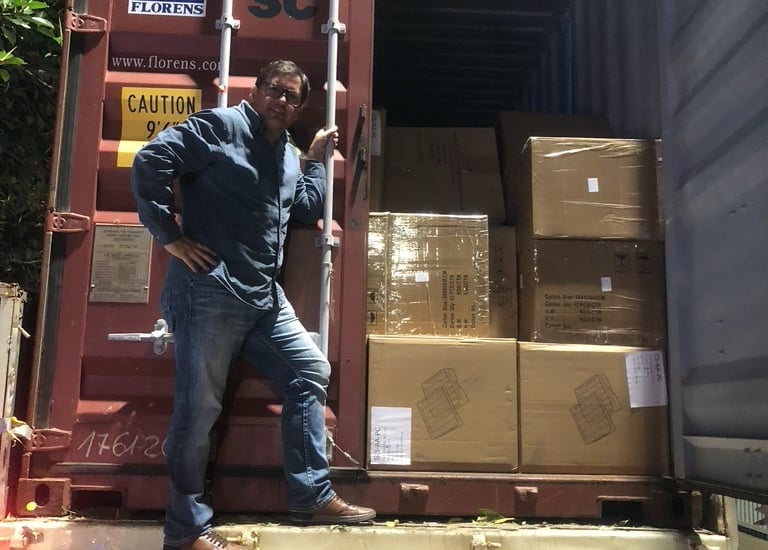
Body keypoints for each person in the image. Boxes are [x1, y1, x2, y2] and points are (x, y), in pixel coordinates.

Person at [131, 59, 376, 550]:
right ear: (256, 90)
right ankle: (185, 531)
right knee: (199, 410)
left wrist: (314, 160)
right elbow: (150, 161)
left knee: (309, 371)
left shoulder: (286, 153)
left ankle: (309, 495)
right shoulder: (220, 126)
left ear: (298, 108)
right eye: (274, 90)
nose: (281, 101)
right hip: (209, 290)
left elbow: (304, 206)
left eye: (292, 97)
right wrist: (170, 237)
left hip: (262, 297)